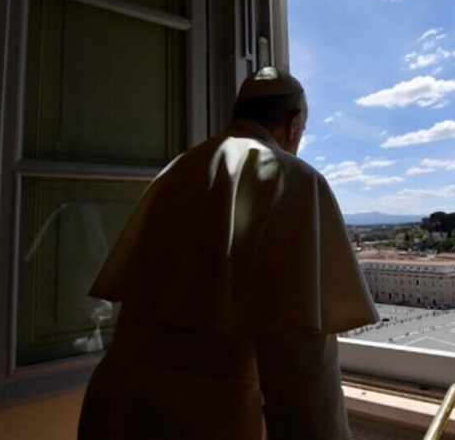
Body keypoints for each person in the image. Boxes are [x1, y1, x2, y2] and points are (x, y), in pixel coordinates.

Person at [77, 67, 379, 439]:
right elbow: (302, 370)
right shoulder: (294, 179)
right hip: (200, 421)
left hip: (112, 409)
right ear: (295, 123)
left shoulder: (177, 171)